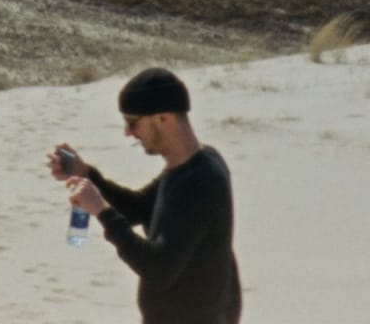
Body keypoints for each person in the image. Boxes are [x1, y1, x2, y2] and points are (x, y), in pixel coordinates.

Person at [52, 66, 241, 324]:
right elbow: (137, 209)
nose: (127, 132)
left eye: (133, 122)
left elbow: (158, 267)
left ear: (163, 118)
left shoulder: (200, 180)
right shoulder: (190, 167)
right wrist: (87, 175)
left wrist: (102, 211)